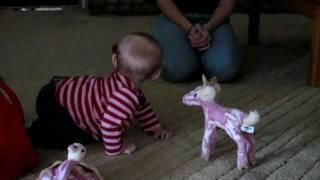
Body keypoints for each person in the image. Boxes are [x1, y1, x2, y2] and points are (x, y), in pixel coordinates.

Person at [29, 32, 173, 156]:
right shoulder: (124, 99)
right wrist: (117, 148)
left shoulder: (126, 87)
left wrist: (155, 127)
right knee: (79, 138)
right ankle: (34, 133)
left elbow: (142, 106)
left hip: (56, 90)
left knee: (92, 88)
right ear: (155, 75)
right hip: (56, 107)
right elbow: (109, 126)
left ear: (114, 60)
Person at [154, 0, 241, 83]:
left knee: (226, 70)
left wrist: (208, 28)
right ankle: (195, 58)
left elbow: (227, 3)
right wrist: (190, 29)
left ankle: (200, 57)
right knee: (177, 71)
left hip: (214, 19)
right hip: (174, 18)